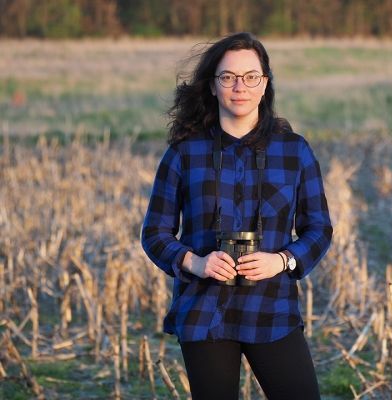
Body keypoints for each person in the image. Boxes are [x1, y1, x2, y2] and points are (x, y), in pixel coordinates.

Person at [140, 32, 332, 400]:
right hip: (204, 313)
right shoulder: (184, 152)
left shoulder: (294, 151)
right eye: (227, 77)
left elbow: (318, 229)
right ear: (213, 86)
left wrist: (282, 260)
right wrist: (196, 263)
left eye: (250, 76)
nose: (239, 86)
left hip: (272, 308)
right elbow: (155, 233)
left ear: (265, 84)